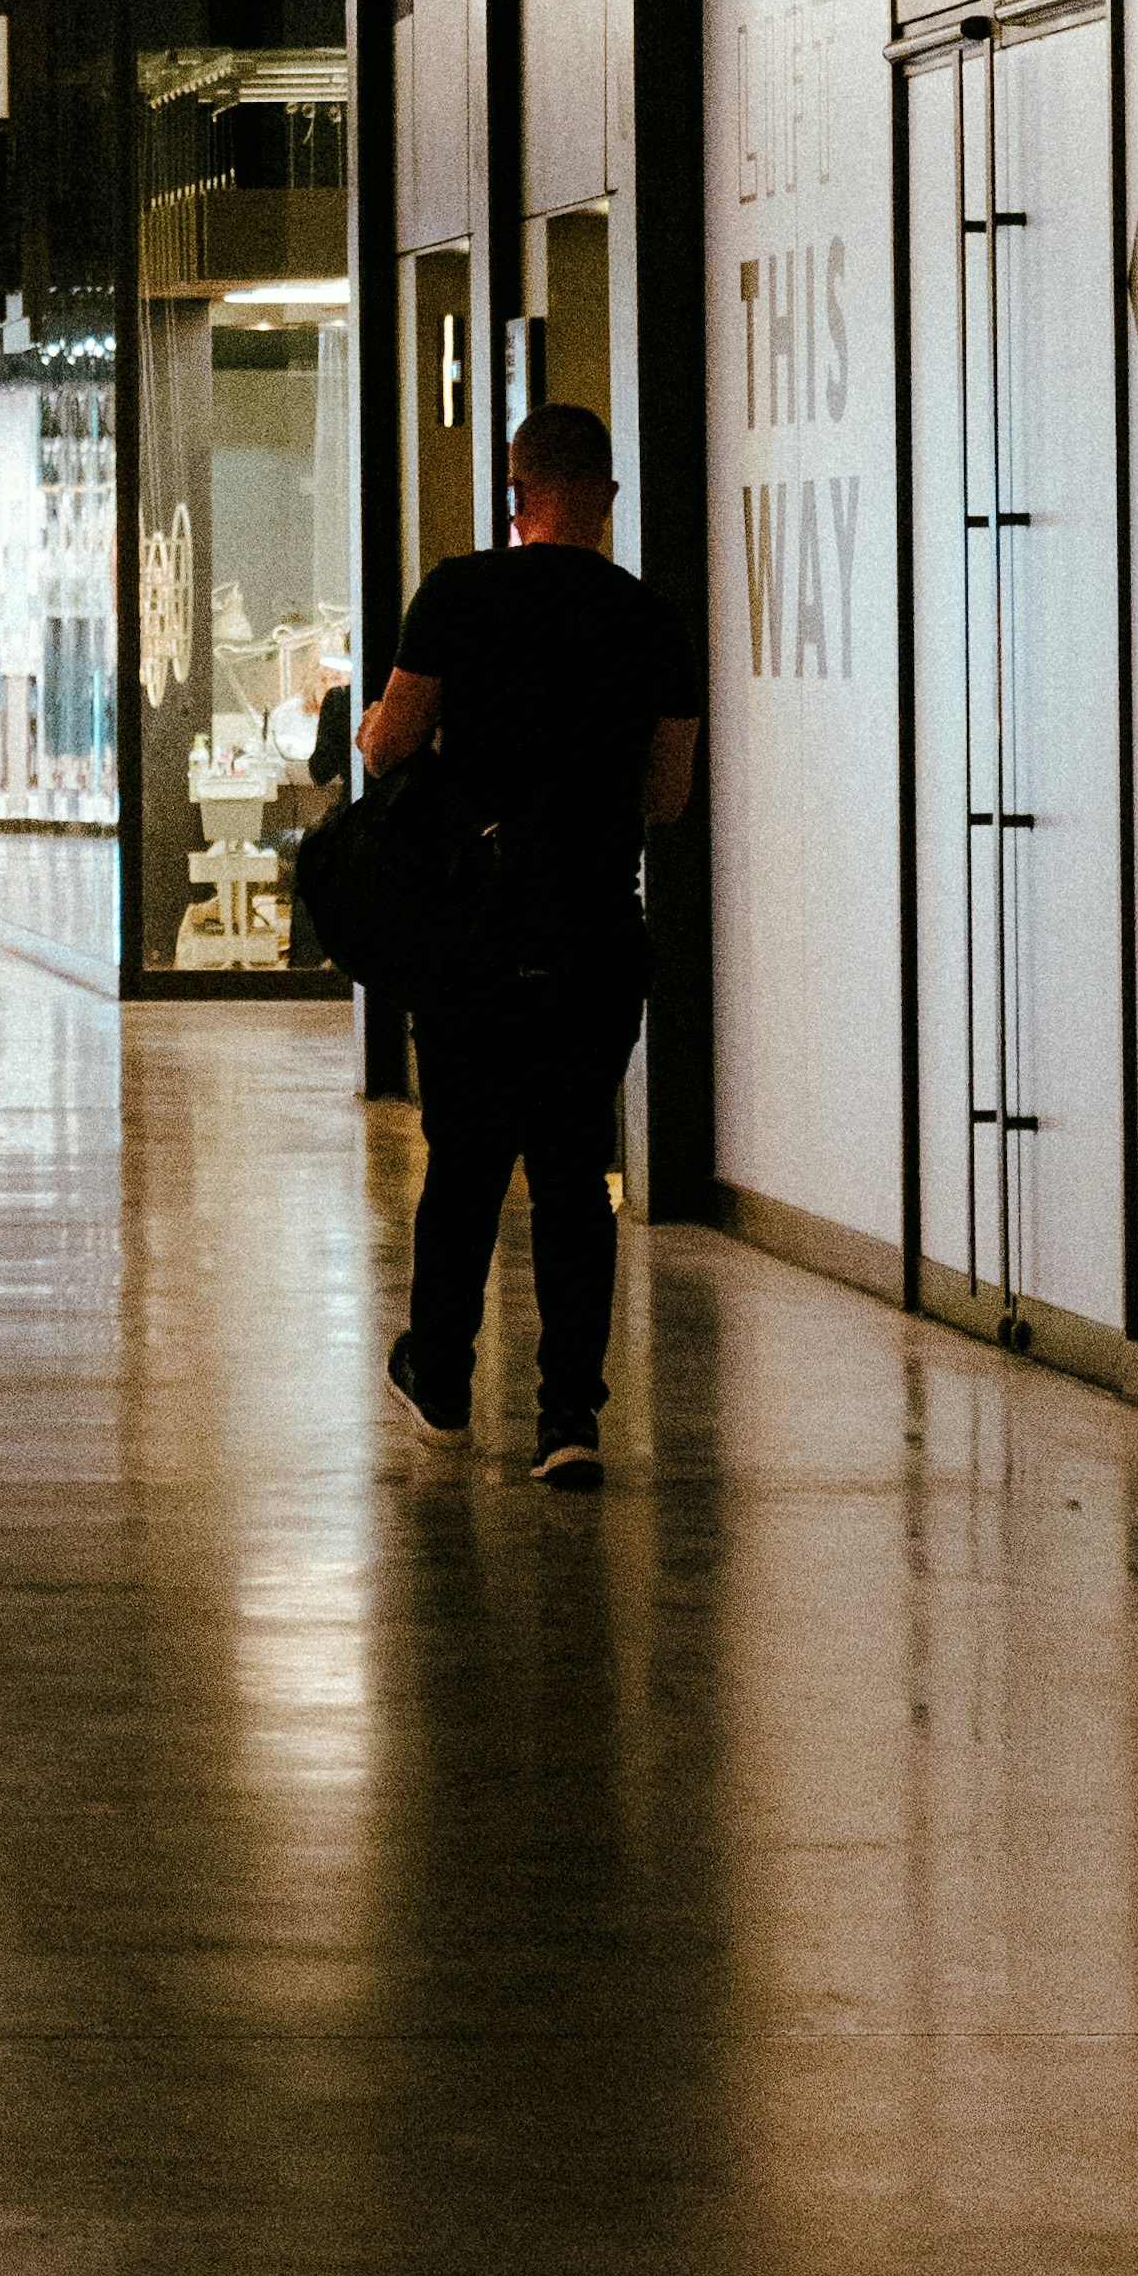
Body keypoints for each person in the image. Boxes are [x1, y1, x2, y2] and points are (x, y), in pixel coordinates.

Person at [361, 401, 699, 1485]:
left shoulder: (458, 594)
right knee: (570, 1171)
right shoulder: (653, 621)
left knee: (463, 1162)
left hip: (475, 931)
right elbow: (667, 796)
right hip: (596, 929)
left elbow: (387, 749)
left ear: (516, 495)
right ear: (607, 495)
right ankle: (568, 1417)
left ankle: (446, 1381)